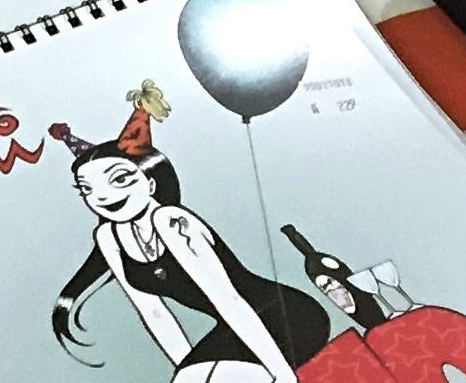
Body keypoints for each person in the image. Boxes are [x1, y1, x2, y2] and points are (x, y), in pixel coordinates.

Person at [47, 96, 329, 379]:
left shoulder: (171, 222)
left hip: (287, 317)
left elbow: (229, 300)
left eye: (119, 179)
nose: (102, 197)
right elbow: (155, 314)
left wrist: (283, 375)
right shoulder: (109, 237)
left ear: (151, 181)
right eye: (87, 189)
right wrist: (184, 374)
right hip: (233, 329)